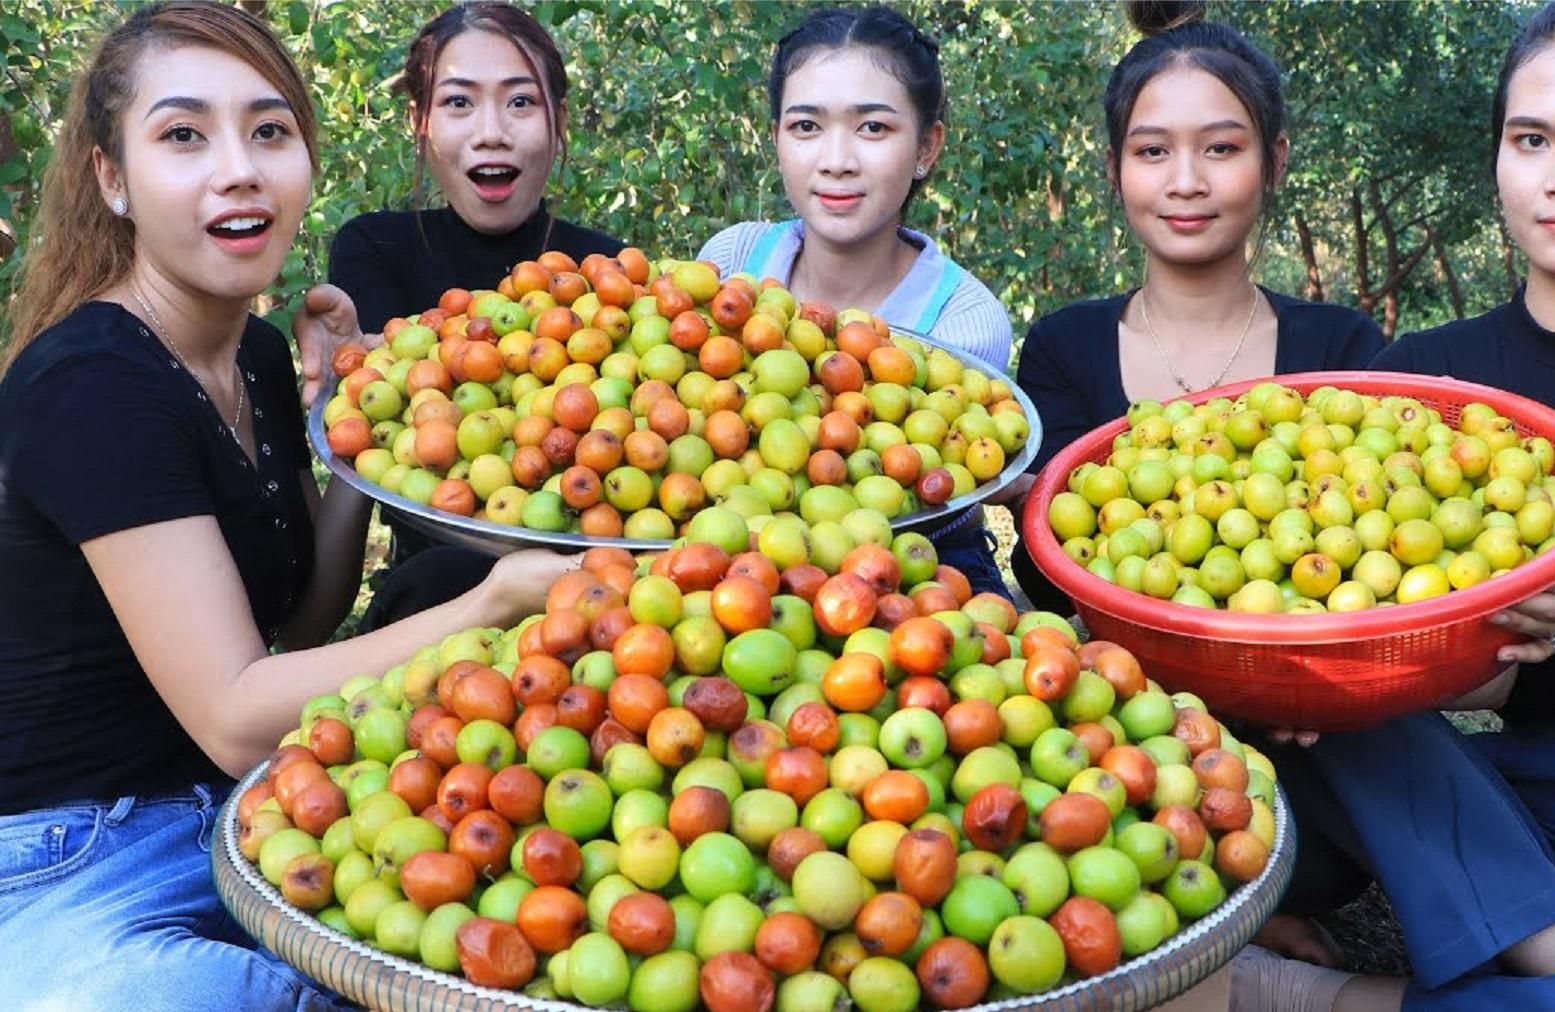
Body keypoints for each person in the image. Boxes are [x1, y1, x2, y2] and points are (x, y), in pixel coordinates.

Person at [0, 5, 580, 1012]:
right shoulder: (93, 386)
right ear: (111, 179)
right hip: (81, 853)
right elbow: (231, 711)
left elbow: (300, 625)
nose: (240, 171)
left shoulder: (256, 356)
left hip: (247, 814)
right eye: (185, 136)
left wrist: (342, 423)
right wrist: (494, 603)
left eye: (270, 132)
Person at [1229, 4, 1555, 1012]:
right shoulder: (1421, 386)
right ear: (1499, 161)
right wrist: (1332, 671)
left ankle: (1324, 1002)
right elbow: (1408, 633)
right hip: (1485, 793)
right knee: (1335, 663)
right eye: (1532, 139)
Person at [1009, 1, 1384, 614]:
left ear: (1274, 163)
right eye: (1153, 151)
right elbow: (1054, 584)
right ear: (1115, 169)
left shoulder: (1343, 349)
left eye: (1220, 149)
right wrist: (1037, 507)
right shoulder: (1063, 347)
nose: (1186, 181)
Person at [697, 5, 1015, 598]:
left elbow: (934, 495)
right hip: (729, 561)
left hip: (914, 570)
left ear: (927, 147)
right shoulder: (732, 259)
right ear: (776, 139)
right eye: (806, 127)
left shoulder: (962, 320)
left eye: (873, 128)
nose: (837, 160)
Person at [324, 1, 625, 621]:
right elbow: (369, 445)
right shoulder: (376, 248)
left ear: (558, 120)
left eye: (521, 102)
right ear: (420, 121)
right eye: (459, 102)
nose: (492, 131)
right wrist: (343, 386)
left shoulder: (608, 272)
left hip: (590, 602)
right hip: (427, 608)